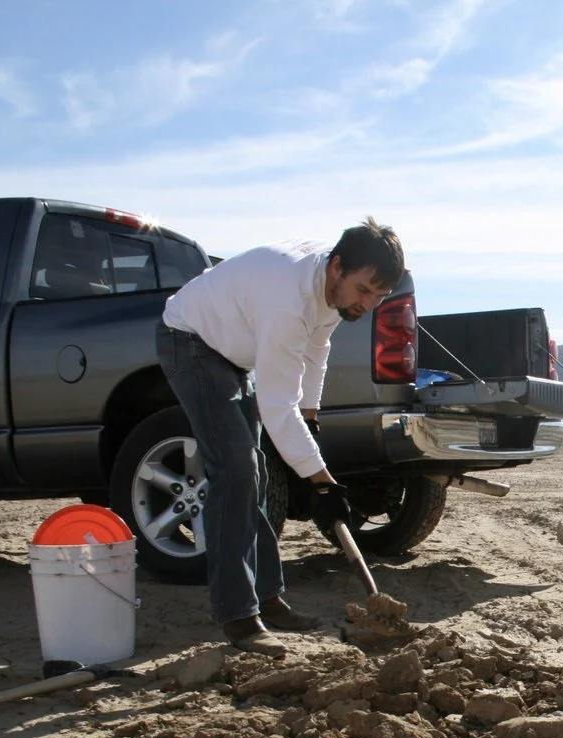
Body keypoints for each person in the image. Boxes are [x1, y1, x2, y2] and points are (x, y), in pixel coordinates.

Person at [157, 218, 404, 655]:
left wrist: (311, 418)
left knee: (255, 474)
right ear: (337, 267)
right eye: (364, 290)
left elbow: (317, 350)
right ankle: (238, 616)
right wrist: (322, 482)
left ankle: (268, 598)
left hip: (234, 350)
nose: (367, 304)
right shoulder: (288, 301)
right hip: (191, 340)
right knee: (235, 471)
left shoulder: (333, 293)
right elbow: (276, 408)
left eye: (379, 296)